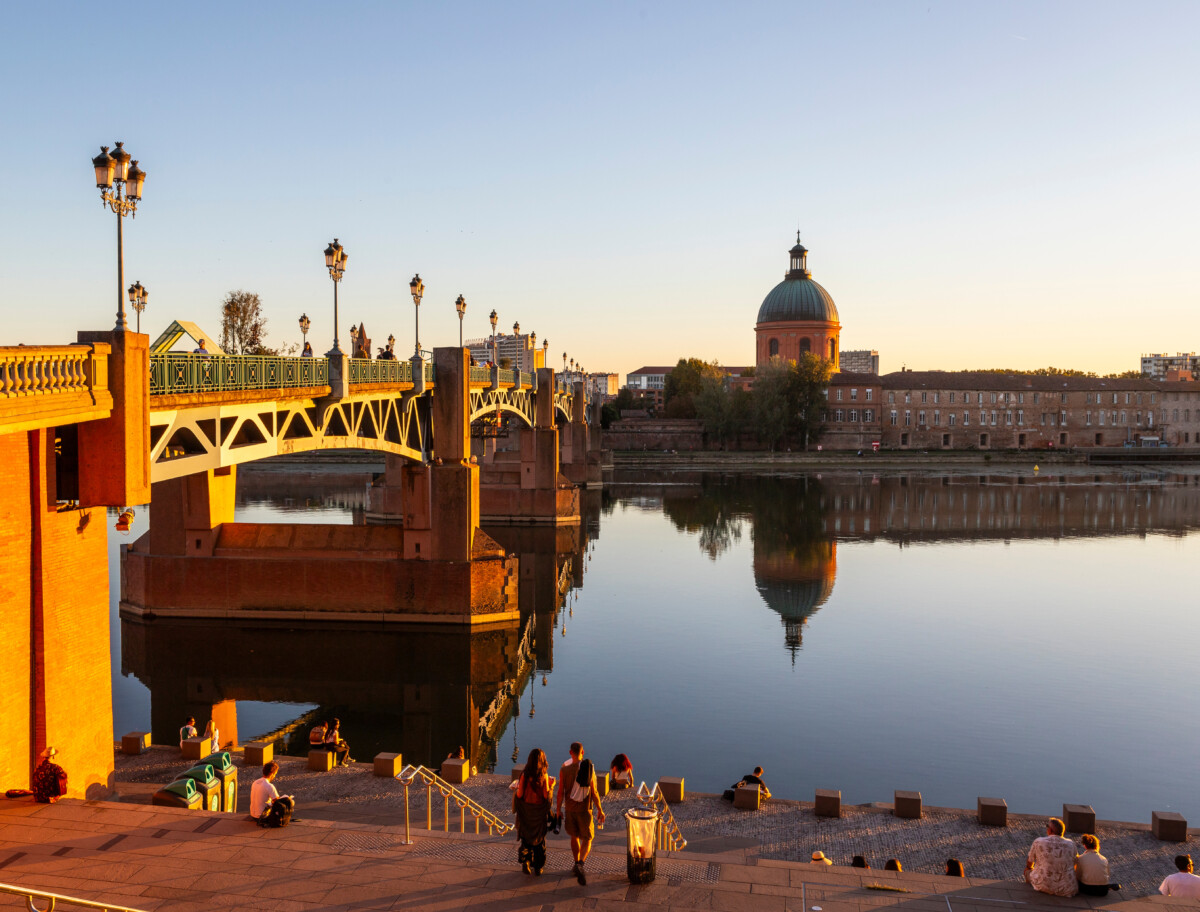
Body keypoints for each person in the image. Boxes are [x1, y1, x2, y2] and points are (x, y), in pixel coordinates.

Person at [555, 742, 606, 885]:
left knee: (574, 836)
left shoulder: (564, 770)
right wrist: (600, 810)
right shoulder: (589, 768)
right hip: (585, 810)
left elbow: (560, 793)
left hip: (570, 809)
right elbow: (594, 791)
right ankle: (580, 864)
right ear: (582, 752)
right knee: (588, 839)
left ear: (570, 752)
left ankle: (576, 862)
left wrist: (558, 810)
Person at [513, 748, 555, 876]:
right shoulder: (543, 775)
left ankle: (526, 861)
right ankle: (538, 867)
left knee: (526, 838)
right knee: (539, 840)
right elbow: (545, 796)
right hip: (538, 812)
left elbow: (519, 795)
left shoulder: (525, 774)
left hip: (526, 811)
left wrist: (516, 790)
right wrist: (551, 786)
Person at [1024, 817, 1078, 897]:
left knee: (1027, 871)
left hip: (1043, 885)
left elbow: (1030, 862)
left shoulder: (1039, 841)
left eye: (1047, 826)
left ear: (1050, 830)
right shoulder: (1071, 844)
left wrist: (1031, 868)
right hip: (1067, 889)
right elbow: (1075, 863)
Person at [249, 761, 295, 827]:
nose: (275, 776)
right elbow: (277, 803)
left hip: (253, 815)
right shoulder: (269, 786)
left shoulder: (255, 782)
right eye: (275, 774)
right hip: (262, 816)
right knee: (290, 801)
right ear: (272, 774)